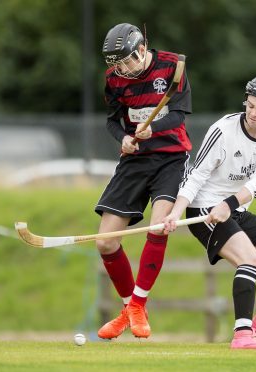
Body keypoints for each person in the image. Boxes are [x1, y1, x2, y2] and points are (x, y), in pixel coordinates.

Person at [163, 73, 256, 350]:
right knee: (250, 259)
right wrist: (175, 212)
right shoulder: (223, 130)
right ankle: (242, 335)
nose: (253, 113)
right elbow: (195, 176)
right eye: (250, 105)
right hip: (203, 209)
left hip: (232, 208)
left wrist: (228, 205)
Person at [94, 23, 192, 340]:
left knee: (158, 225)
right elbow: (113, 121)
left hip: (170, 158)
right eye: (116, 64)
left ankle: (139, 302)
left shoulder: (172, 66)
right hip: (134, 160)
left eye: (126, 61)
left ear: (140, 49)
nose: (122, 69)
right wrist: (123, 138)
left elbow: (179, 113)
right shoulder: (114, 80)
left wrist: (156, 126)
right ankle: (129, 307)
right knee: (105, 241)